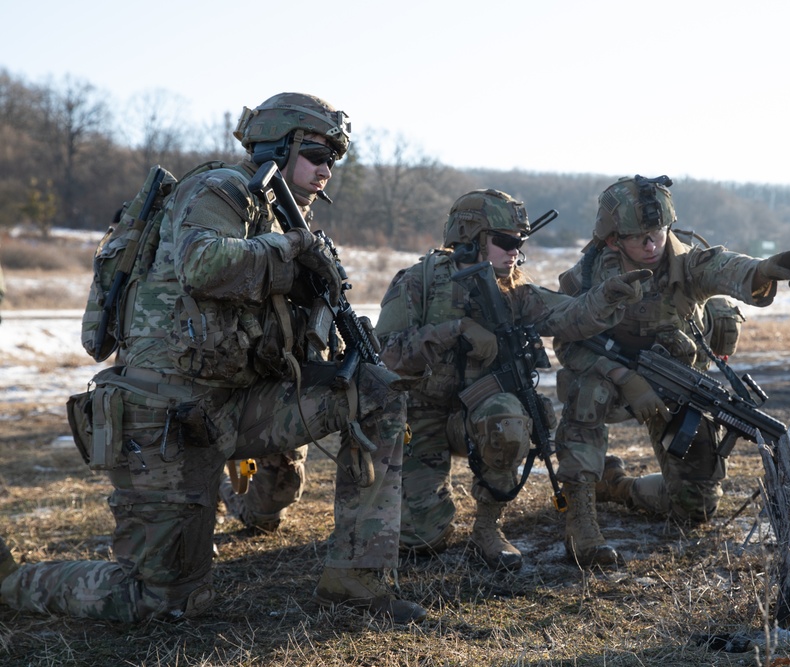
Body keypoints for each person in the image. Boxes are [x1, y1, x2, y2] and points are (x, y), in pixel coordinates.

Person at [0, 92, 426, 624]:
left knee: (377, 390)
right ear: (278, 146)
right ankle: (13, 581)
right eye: (317, 155)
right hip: (165, 416)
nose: (327, 171)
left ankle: (355, 579)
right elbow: (203, 265)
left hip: (233, 403)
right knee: (164, 602)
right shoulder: (221, 189)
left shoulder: (283, 222)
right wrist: (293, 256)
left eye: (333, 161)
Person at [374, 189, 650, 571]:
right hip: (421, 415)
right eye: (505, 242)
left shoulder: (516, 288)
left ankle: (487, 528)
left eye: (519, 243)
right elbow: (385, 354)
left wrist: (606, 297)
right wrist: (456, 330)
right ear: (470, 237)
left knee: (509, 420)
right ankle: (426, 504)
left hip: (479, 414)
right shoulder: (419, 282)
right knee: (422, 538)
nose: (514, 252)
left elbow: (569, 315)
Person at [552, 174, 790, 566]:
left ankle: (616, 485)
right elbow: (567, 342)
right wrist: (626, 378)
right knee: (587, 392)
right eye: (639, 235)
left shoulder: (687, 262)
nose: (652, 241)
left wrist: (763, 271)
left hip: (675, 387)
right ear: (612, 239)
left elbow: (724, 266)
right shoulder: (587, 278)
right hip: (610, 381)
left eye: (657, 230)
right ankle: (581, 517)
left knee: (696, 506)